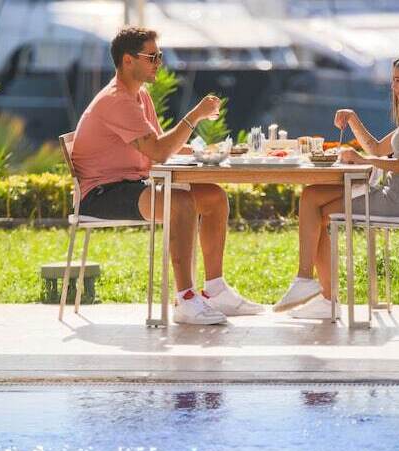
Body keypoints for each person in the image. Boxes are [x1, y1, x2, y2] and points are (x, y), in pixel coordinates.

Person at [72, 26, 262, 325]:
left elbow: (163, 145)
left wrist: (211, 150)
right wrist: (194, 116)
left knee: (213, 196)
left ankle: (215, 290)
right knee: (180, 202)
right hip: (101, 194)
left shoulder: (140, 95)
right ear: (128, 60)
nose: (159, 63)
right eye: (152, 57)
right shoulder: (116, 100)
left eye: (159, 56)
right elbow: (159, 152)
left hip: (133, 184)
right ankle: (185, 299)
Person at [274, 51, 399, 319]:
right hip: (390, 195)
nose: (393, 87)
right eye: (393, 80)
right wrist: (353, 119)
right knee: (311, 197)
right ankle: (316, 290)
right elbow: (377, 148)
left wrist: (362, 160)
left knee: (314, 205)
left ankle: (316, 290)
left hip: (397, 202)